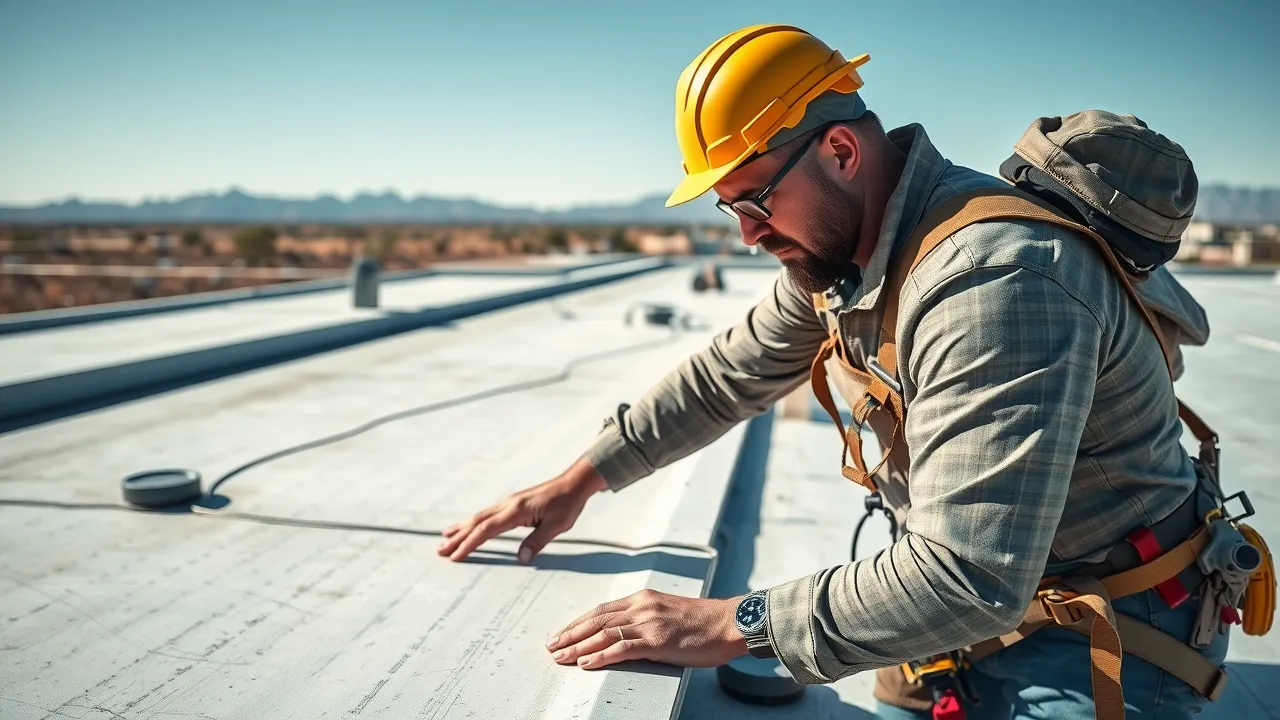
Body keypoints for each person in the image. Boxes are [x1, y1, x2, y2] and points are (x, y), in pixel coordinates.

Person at [436, 24, 1231, 719]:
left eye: (755, 202)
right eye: (730, 210)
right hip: (973, 606)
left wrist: (727, 624)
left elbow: (969, 573)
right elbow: (726, 375)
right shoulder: (847, 259)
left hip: (1100, 623)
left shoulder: (992, 282)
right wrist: (576, 481)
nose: (747, 235)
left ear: (842, 151)